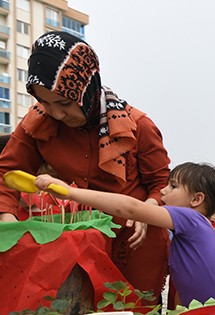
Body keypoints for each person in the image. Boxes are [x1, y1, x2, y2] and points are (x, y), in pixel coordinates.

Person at [0, 31, 170, 300]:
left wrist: (148, 209)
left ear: (86, 90)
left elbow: (161, 183)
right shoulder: (37, 123)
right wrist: (8, 221)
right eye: (44, 101)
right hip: (77, 246)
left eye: (65, 103)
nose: (56, 113)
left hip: (134, 240)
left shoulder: (138, 125)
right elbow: (6, 172)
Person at [35, 162, 215, 315]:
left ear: (196, 199)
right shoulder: (183, 232)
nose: (163, 191)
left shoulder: (192, 219)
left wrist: (70, 193)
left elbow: (131, 208)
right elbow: (183, 288)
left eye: (173, 186)